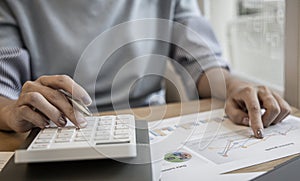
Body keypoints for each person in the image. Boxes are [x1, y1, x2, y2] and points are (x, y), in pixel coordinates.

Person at [0, 0, 291, 139]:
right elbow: (3, 88)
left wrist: (233, 87)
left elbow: (203, 63)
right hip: (57, 130)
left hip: (150, 127)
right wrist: (11, 111)